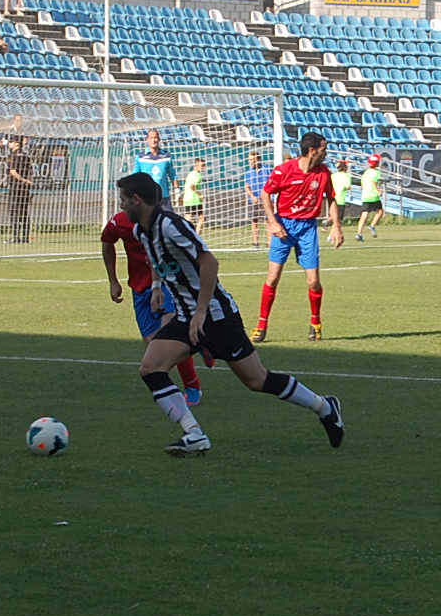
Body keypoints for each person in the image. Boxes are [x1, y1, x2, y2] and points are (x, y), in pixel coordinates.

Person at [119, 171, 344, 457]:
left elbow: (209, 263)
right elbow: (157, 258)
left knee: (256, 380)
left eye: (124, 200)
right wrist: (156, 286)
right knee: (150, 368)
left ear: (137, 200)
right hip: (187, 318)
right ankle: (194, 434)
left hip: (216, 315)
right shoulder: (142, 231)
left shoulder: (172, 225)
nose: (122, 206)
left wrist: (200, 312)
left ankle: (325, 407)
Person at [102, 206, 205, 407]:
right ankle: (200, 344)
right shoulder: (119, 221)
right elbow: (107, 243)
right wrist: (113, 280)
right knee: (152, 343)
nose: (121, 203)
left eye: (124, 199)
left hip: (168, 279)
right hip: (140, 286)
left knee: (168, 333)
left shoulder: (163, 221)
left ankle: (192, 386)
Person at [254, 131, 343, 343]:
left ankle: (315, 323)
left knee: (313, 281)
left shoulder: (323, 172)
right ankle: (261, 325)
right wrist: (273, 221)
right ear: (312, 151)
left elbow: (331, 198)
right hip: (284, 225)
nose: (326, 153)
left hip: (307, 228)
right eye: (323, 150)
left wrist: (336, 226)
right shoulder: (284, 170)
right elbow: (266, 193)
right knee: (273, 277)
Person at [133, 128, 176, 203]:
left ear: (159, 139)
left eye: (155, 137)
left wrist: (177, 190)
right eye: (151, 138)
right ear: (147, 139)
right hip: (147, 196)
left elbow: (173, 175)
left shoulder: (166, 155)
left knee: (166, 215)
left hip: (163, 197)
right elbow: (134, 177)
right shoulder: (140, 157)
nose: (153, 140)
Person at [4, 135, 34, 243]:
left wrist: (23, 180)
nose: (9, 143)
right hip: (25, 189)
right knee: (24, 213)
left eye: (11, 141)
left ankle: (16, 237)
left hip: (16, 186)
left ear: (17, 143)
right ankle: (25, 238)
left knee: (14, 212)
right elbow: (31, 170)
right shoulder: (26, 156)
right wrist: (28, 181)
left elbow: (13, 171)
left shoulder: (14, 156)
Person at [355, 153, 384, 241]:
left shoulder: (366, 172)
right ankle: (372, 226)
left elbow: (362, 184)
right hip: (373, 195)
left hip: (365, 195)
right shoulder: (377, 172)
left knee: (364, 215)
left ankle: (359, 234)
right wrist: (378, 190)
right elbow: (374, 181)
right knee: (380, 212)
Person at [243, 150, 269, 247]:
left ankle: (269, 242)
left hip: (265, 199)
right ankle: (255, 242)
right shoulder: (249, 172)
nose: (250, 161)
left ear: (257, 159)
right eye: (249, 159)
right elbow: (247, 186)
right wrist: (252, 197)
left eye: (252, 159)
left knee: (267, 220)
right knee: (254, 220)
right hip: (254, 200)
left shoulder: (267, 170)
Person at [183, 157, 206, 234]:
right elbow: (192, 186)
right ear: (196, 165)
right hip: (194, 199)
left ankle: (186, 234)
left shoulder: (190, 174)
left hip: (187, 199)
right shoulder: (197, 175)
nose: (204, 167)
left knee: (188, 218)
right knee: (201, 217)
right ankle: (197, 235)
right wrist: (200, 194)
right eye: (202, 165)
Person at [331, 158, 352, 227]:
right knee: (338, 218)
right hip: (340, 198)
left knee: (334, 214)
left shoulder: (333, 175)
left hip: (332, 198)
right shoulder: (347, 176)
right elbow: (348, 187)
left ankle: (327, 225)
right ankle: (328, 222)